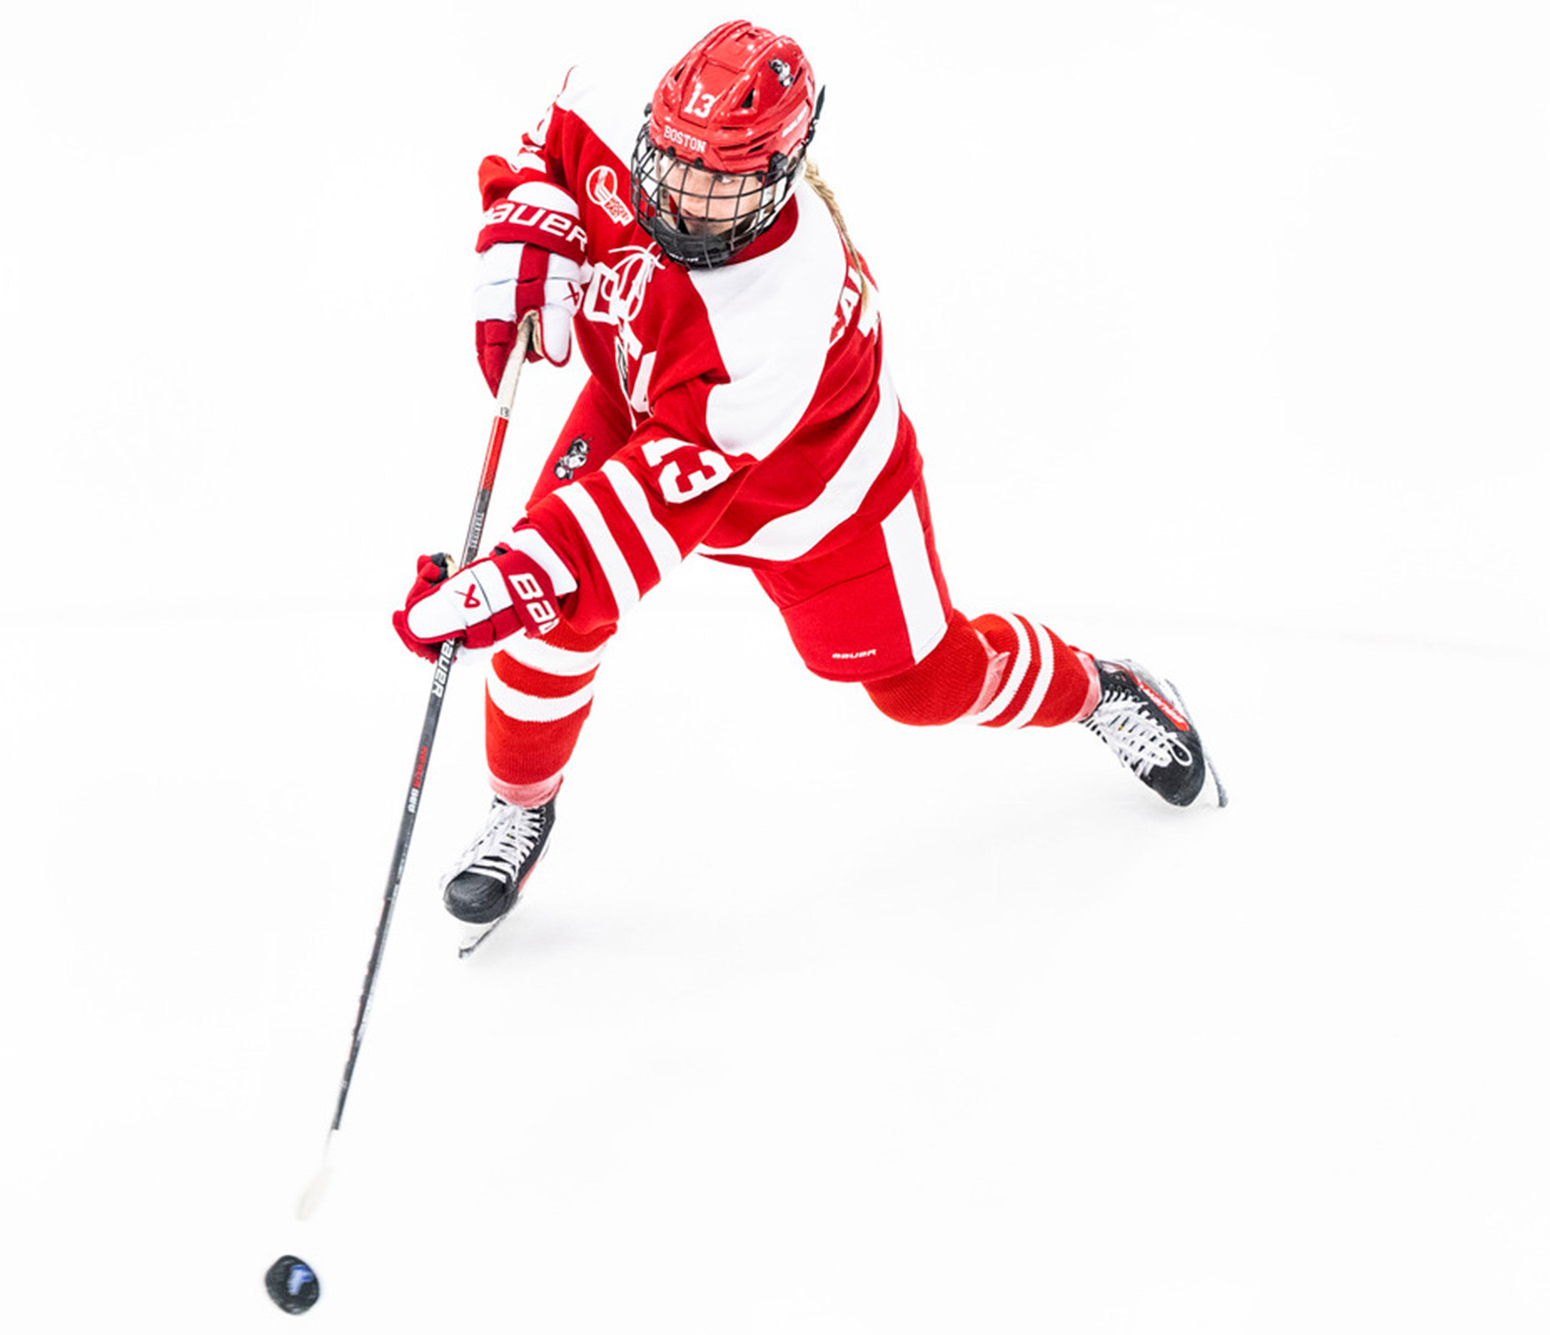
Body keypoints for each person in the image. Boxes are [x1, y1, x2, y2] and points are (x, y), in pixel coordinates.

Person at [393, 20, 1226, 929]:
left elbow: (660, 494)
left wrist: (534, 569)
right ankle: (520, 805)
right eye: (673, 161)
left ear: (777, 178)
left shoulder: (777, 306)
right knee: (551, 624)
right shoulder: (611, 110)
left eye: (721, 182)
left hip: (818, 500)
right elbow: (539, 152)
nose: (685, 195)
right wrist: (523, 209)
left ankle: (1098, 689)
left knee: (923, 686)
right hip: (642, 407)